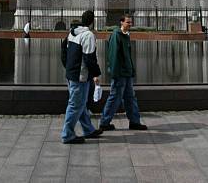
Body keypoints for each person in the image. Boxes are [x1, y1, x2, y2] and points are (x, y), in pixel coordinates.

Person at [99, 14, 147, 131]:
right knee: (115, 97)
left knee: (130, 98)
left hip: (127, 73)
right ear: (121, 22)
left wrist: (132, 70)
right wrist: (114, 73)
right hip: (120, 74)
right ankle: (104, 122)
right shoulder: (117, 35)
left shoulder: (125, 35)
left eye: (131, 22)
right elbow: (113, 55)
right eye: (128, 22)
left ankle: (134, 122)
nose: (130, 24)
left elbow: (127, 56)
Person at [61, 10, 103, 144]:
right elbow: (89, 58)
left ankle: (88, 129)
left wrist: (68, 68)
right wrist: (96, 73)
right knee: (75, 105)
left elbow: (64, 53)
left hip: (71, 74)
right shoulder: (88, 35)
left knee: (81, 103)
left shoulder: (72, 33)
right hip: (80, 76)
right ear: (92, 22)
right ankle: (67, 134)